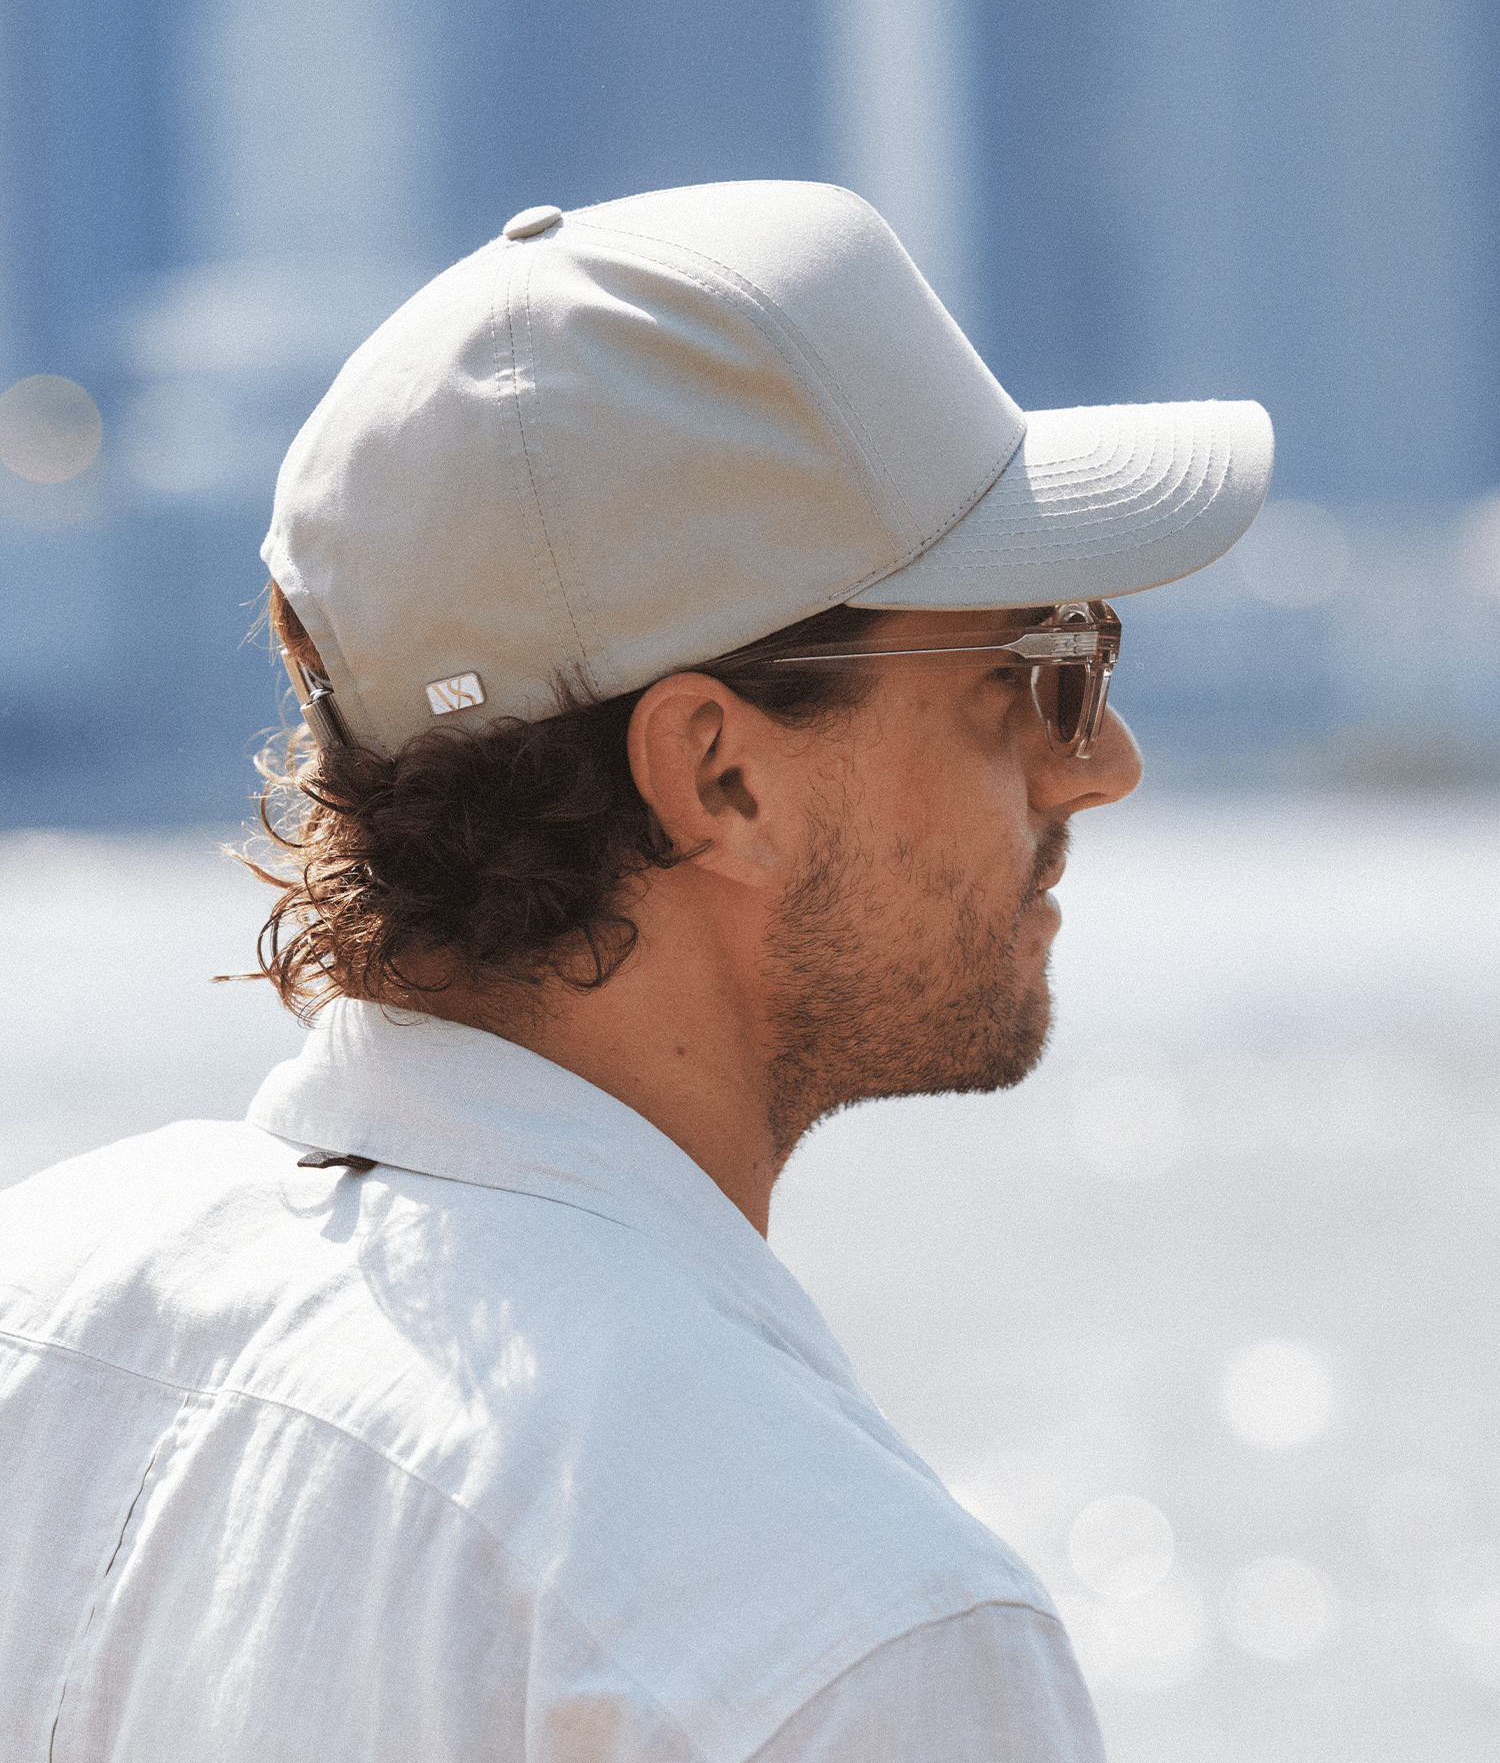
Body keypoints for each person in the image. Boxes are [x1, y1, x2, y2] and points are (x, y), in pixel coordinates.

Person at [0, 182, 1272, 1760]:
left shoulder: (38, 1325)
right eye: (1040, 674)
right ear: (718, 775)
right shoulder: (851, 1643)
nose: (1102, 767)